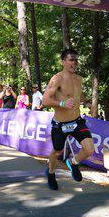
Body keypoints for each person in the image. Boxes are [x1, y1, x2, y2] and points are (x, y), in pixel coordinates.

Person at [42, 48, 94, 190]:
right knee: (57, 152)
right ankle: (51, 173)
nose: (74, 63)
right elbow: (45, 100)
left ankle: (73, 163)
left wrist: (87, 103)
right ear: (63, 62)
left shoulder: (79, 79)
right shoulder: (57, 78)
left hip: (76, 122)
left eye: (76, 60)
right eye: (71, 60)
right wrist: (62, 104)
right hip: (60, 124)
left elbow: (78, 95)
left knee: (89, 149)